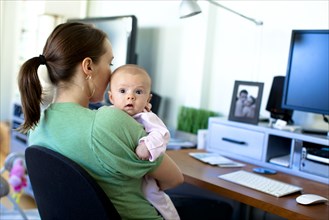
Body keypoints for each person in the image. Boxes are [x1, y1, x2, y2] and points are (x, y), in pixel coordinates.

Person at [17, 22, 183, 219]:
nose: (113, 74)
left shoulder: (37, 126)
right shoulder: (108, 121)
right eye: (110, 63)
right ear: (88, 66)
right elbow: (174, 179)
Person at [108, 64, 179, 220]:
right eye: (122, 91)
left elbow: (162, 134)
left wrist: (146, 145)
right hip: (125, 175)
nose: (130, 96)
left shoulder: (146, 117)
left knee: (154, 195)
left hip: (147, 174)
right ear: (111, 97)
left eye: (138, 92)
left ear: (148, 98)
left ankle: (171, 217)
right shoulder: (108, 114)